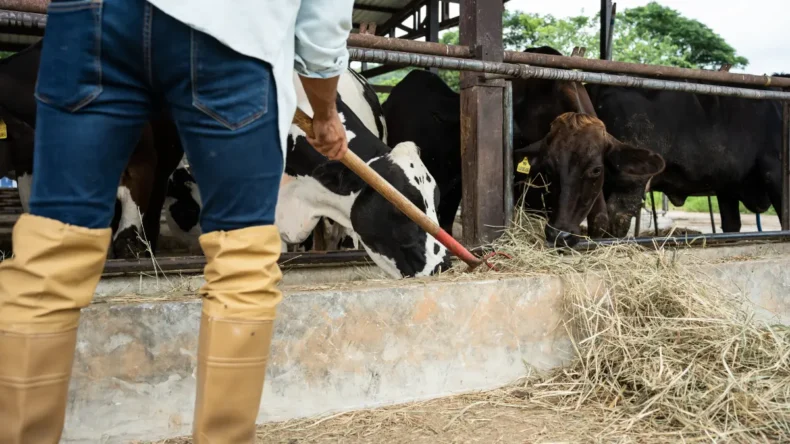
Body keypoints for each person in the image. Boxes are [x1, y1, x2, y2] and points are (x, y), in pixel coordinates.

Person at [0, 0, 353, 442]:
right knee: (241, 261)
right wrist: (324, 112)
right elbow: (324, 18)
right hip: (232, 27)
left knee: (49, 251)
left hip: (92, 19)